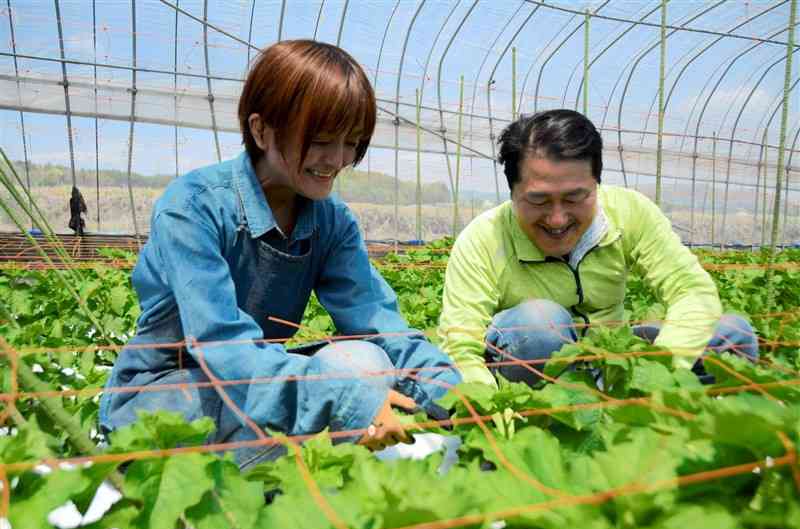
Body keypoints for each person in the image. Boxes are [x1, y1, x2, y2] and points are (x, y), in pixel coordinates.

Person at [99, 39, 461, 469]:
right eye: (323, 139)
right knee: (344, 392)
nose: (337, 159)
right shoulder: (194, 207)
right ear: (260, 129)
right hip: (167, 397)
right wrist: (340, 399)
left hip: (253, 387)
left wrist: (453, 393)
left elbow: (381, 324)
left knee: (366, 362)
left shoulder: (331, 221)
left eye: (352, 142)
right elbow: (222, 347)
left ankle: (288, 479)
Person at [438, 109, 758, 389]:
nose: (558, 218)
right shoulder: (484, 238)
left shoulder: (629, 212)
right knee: (541, 324)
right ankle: (543, 416)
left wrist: (658, 373)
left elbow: (691, 291)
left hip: (610, 361)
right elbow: (460, 345)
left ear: (596, 184)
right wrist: (488, 412)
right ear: (512, 192)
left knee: (733, 334)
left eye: (575, 198)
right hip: (529, 365)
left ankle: (694, 433)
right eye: (539, 200)